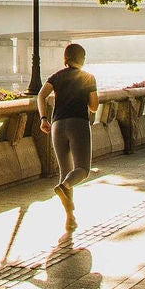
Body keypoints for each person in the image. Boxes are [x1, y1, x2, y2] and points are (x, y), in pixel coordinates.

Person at [38, 42, 98, 227]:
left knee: (65, 172)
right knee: (82, 170)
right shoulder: (88, 77)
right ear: (82, 58)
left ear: (65, 58)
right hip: (78, 124)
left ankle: (70, 219)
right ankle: (64, 188)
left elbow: (41, 96)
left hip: (57, 125)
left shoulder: (56, 76)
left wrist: (43, 119)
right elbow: (94, 105)